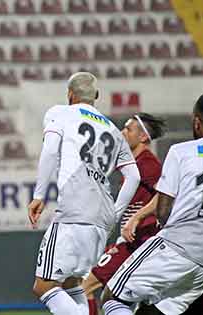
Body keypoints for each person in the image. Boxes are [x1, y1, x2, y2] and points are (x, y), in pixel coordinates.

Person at [28, 72, 141, 315]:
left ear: (70, 94)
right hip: (100, 220)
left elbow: (49, 151)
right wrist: (115, 212)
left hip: (73, 213)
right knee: (72, 284)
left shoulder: (60, 113)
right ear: (96, 96)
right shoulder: (112, 129)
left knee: (43, 286)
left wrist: (39, 195)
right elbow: (134, 176)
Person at [102, 94, 203, 315]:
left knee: (112, 297)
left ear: (197, 121)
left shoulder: (181, 152)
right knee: (155, 310)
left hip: (176, 245)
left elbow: (163, 209)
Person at [82, 113, 166, 315]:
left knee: (85, 287)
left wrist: (136, 220)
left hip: (140, 242)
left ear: (143, 137)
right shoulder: (131, 163)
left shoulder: (149, 164)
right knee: (117, 299)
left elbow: (164, 197)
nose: (122, 132)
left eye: (128, 129)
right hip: (130, 240)